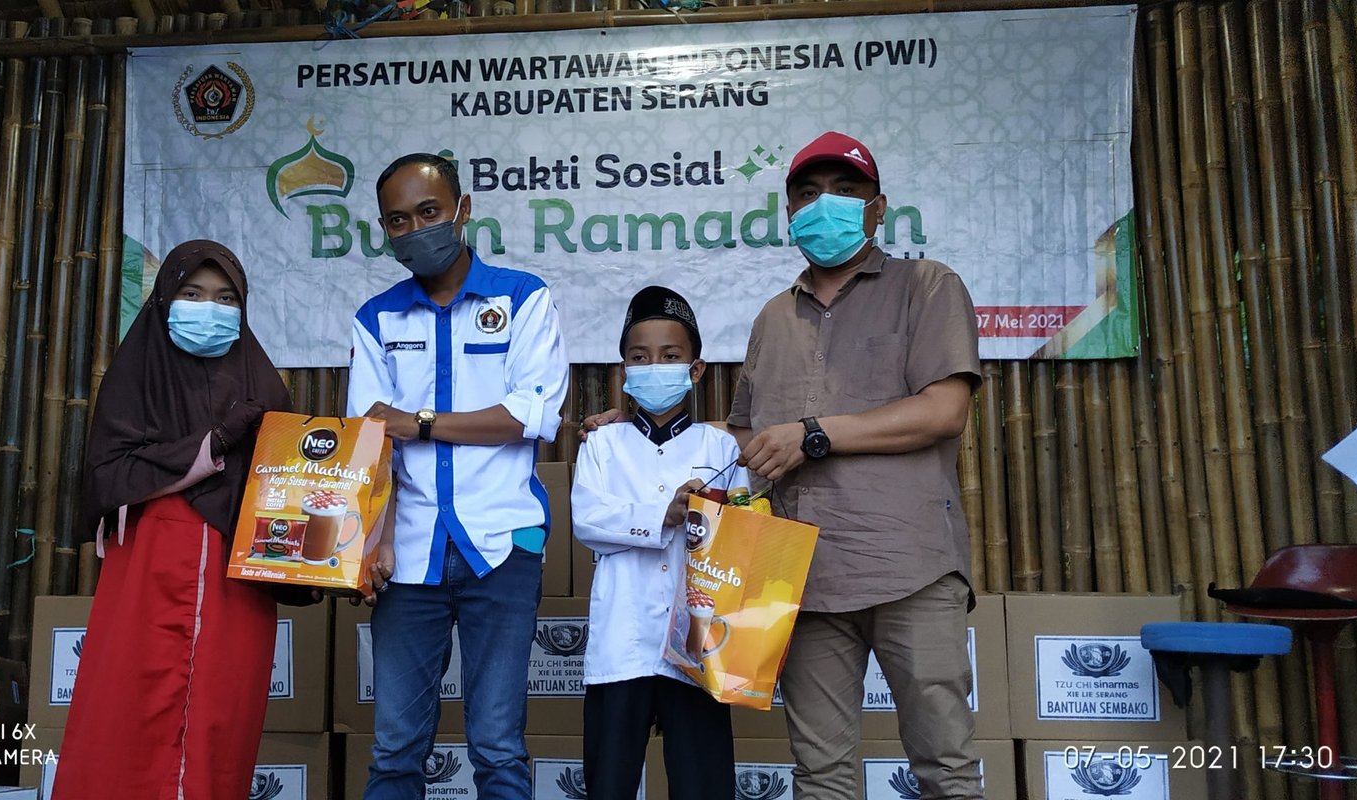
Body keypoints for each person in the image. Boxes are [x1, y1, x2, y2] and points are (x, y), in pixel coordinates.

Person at [586, 131, 984, 800]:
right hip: (803, 579)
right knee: (821, 775)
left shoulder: (927, 285)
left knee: (944, 765)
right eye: (808, 193)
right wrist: (641, 423)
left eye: (846, 190)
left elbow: (945, 410)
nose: (825, 204)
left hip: (909, 567)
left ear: (878, 207)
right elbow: (749, 434)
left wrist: (816, 435)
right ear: (790, 212)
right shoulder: (774, 318)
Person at [346, 153, 570, 799]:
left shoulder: (522, 298)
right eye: (398, 220)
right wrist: (373, 543)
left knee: (498, 748)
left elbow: (529, 417)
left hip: (502, 544)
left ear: (463, 210)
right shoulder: (376, 318)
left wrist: (417, 423)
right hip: (405, 555)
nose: (416, 229)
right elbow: (370, 440)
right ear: (384, 230)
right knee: (394, 749)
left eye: (429, 212)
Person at [56, 240, 312, 800]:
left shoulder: (264, 387)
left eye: (225, 298)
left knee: (221, 719)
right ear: (164, 299)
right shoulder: (135, 377)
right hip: (148, 569)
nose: (208, 309)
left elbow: (293, 494)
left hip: (235, 581)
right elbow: (110, 474)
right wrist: (212, 444)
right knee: (129, 709)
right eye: (192, 294)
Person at [572, 286, 742, 800]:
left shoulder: (722, 447)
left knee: (703, 786)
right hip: (621, 644)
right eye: (640, 357)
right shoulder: (602, 444)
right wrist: (663, 515)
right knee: (609, 785)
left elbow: (740, 541)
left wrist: (715, 516)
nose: (654, 367)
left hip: (700, 648)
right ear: (624, 369)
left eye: (670, 356)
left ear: (696, 369)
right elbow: (587, 518)